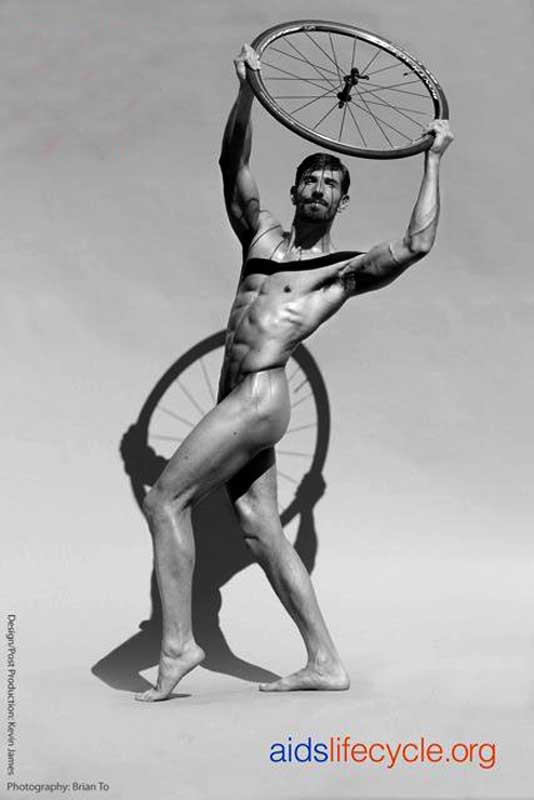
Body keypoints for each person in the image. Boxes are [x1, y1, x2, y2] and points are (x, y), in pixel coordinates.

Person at [135, 44, 453, 702]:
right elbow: (232, 163)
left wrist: (432, 159)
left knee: (165, 501)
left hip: (260, 395)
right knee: (259, 527)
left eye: (330, 184)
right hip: (235, 395)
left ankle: (177, 646)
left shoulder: (340, 270)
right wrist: (247, 92)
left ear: (342, 201)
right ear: (295, 189)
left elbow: (417, 243)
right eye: (310, 179)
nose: (317, 189)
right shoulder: (259, 235)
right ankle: (325, 661)